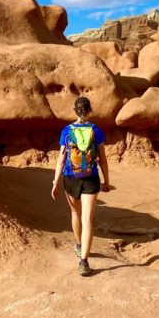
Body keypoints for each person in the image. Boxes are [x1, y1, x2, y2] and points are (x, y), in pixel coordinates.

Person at [51, 96, 111, 276]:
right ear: (90, 110)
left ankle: (79, 246)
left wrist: (55, 182)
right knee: (87, 220)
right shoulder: (96, 131)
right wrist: (106, 181)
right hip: (91, 178)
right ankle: (84, 262)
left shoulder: (67, 131)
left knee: (75, 213)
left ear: (75, 111)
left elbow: (61, 158)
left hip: (71, 177)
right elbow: (103, 159)